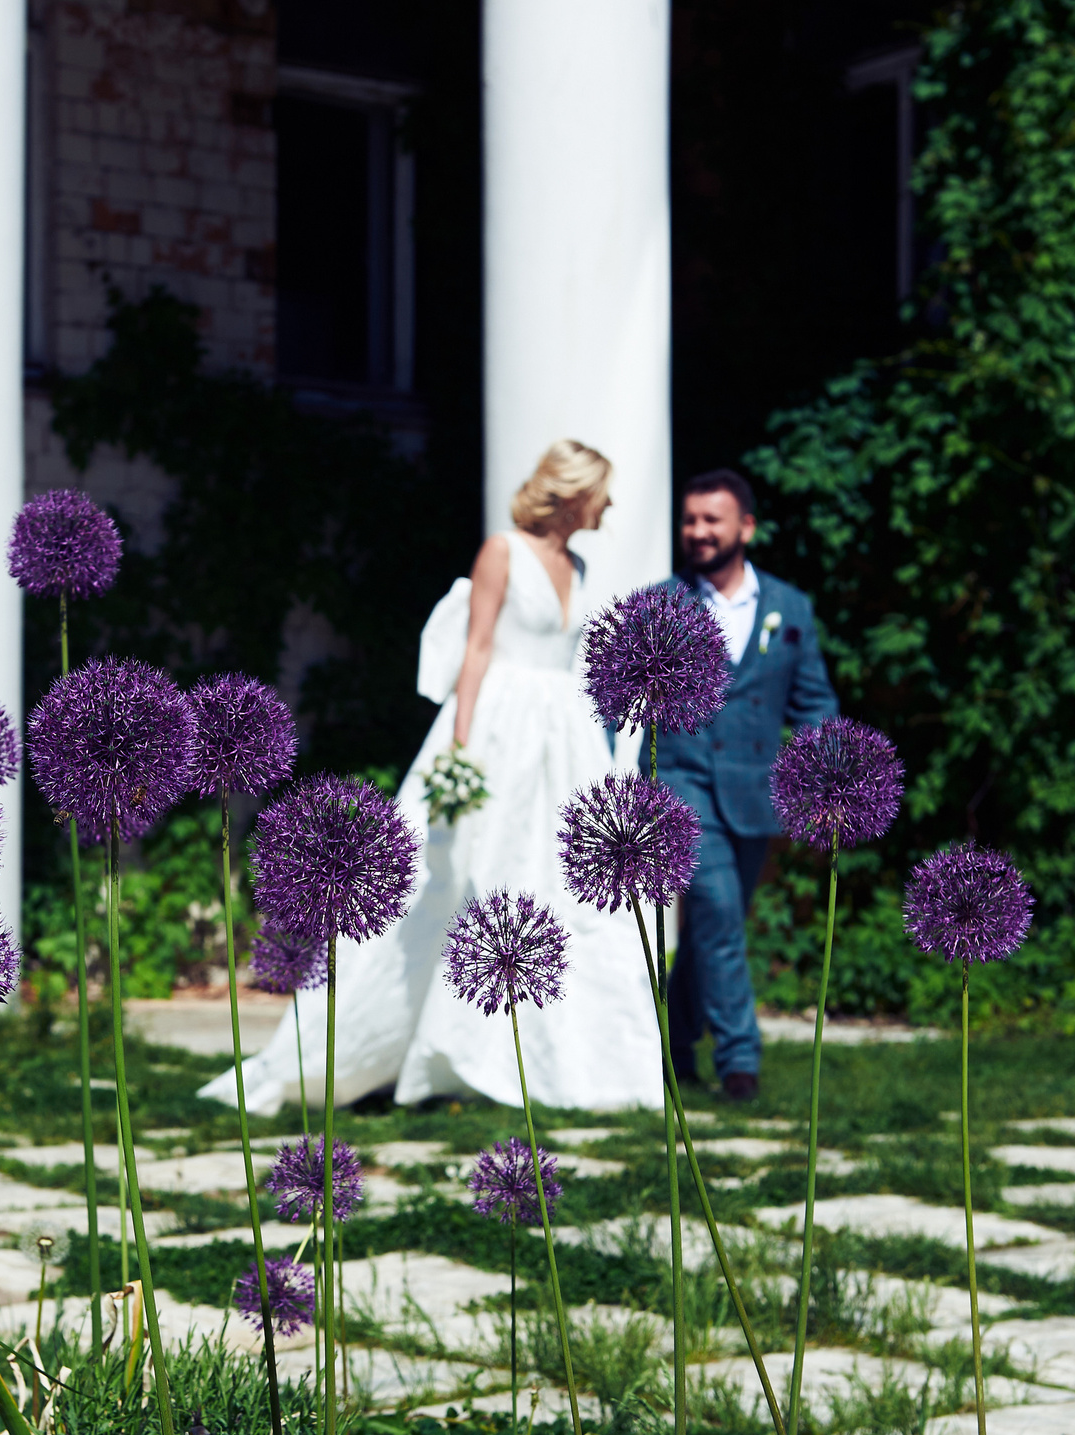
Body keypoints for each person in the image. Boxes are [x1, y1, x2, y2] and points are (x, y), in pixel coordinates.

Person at [200, 440, 666, 1116]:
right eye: (602, 491)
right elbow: (475, 650)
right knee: (460, 877)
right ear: (573, 493)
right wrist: (460, 753)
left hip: (563, 742)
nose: (611, 504)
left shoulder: (581, 566)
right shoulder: (502, 552)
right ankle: (417, 1047)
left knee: (562, 887)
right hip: (498, 729)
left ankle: (558, 1062)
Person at [646, 469, 838, 1102]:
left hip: (757, 792)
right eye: (690, 520)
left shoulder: (790, 607)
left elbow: (813, 705)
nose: (698, 531)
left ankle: (674, 1044)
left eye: (712, 519)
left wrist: (827, 781)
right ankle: (739, 1061)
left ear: (745, 527)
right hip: (681, 781)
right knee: (719, 909)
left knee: (714, 925)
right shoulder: (660, 603)